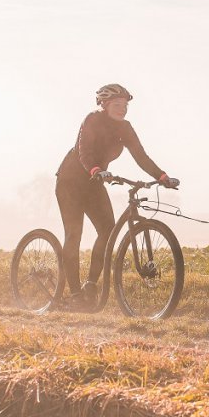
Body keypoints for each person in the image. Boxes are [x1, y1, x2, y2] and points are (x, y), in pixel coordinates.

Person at [55, 83, 176, 310]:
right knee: (74, 234)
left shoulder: (125, 128)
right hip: (71, 181)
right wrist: (96, 170)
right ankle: (74, 295)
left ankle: (90, 285)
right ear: (104, 104)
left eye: (125, 105)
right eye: (118, 105)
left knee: (108, 231)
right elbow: (84, 152)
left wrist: (161, 176)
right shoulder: (92, 120)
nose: (123, 109)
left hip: (94, 183)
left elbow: (141, 156)